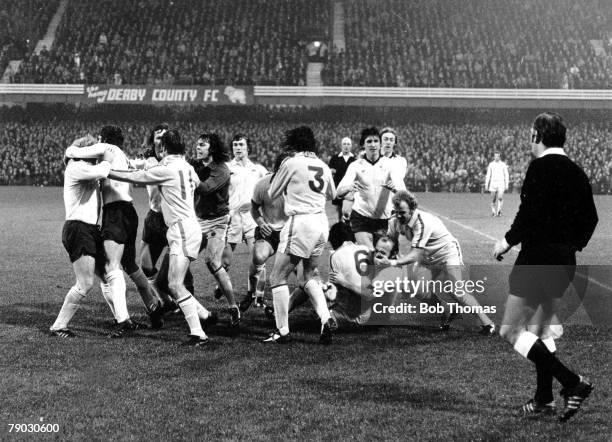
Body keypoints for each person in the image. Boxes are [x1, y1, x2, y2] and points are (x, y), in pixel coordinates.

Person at [493, 112, 598, 421]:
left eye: (531, 134)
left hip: (537, 259)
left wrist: (507, 241)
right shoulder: (578, 172)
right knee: (540, 329)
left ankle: (573, 382)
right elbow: (590, 219)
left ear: (538, 135)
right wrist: (569, 244)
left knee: (511, 330)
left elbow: (529, 212)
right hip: (564, 262)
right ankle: (544, 399)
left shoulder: (540, 166)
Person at [108, 129, 216, 347]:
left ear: (165, 148)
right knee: (169, 282)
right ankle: (202, 320)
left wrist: (107, 172)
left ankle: (199, 333)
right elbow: (196, 182)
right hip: (187, 227)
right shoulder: (186, 167)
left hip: (182, 229)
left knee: (175, 284)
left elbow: (135, 176)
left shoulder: (166, 169)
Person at [65, 126, 157, 336]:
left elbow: (74, 152)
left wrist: (70, 151)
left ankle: (123, 321)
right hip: (130, 212)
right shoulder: (123, 156)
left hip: (115, 212)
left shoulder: (106, 148)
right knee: (130, 264)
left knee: (112, 266)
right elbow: (137, 168)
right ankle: (155, 307)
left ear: (102, 139)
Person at [377, 190, 496, 335]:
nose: (399, 216)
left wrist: (391, 262)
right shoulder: (395, 221)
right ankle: (447, 309)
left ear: (412, 210)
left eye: (402, 212)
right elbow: (389, 241)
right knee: (417, 289)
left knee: (456, 291)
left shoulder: (422, 222)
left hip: (447, 253)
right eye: (397, 212)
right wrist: (378, 251)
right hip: (428, 257)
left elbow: (415, 254)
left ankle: (488, 324)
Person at [264, 126, 336, 344]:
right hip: (322, 223)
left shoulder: (291, 162)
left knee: (277, 277)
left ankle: (282, 331)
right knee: (307, 276)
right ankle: (326, 318)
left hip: (300, 222)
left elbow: (271, 192)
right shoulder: (322, 164)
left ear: (293, 143)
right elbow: (332, 194)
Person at [50, 135, 113, 337]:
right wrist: (108, 156)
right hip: (78, 229)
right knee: (85, 283)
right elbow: (104, 170)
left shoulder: (82, 167)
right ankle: (59, 326)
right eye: (91, 147)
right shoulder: (76, 166)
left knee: (107, 276)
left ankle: (122, 320)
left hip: (89, 229)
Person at [190, 132, 240, 330]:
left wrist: (189, 174)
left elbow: (204, 189)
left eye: (202, 145)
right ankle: (187, 302)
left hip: (217, 221)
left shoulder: (221, 170)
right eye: (197, 144)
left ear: (212, 148)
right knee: (181, 260)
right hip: (197, 220)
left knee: (212, 261)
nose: (198, 147)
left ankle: (233, 307)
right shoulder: (196, 165)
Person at [336, 127, 406, 249]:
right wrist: (349, 187)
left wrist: (395, 189)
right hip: (361, 218)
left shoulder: (391, 165)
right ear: (363, 145)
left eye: (376, 141)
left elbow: (403, 192)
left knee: (382, 260)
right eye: (369, 141)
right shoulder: (356, 166)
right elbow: (339, 192)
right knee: (369, 253)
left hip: (384, 219)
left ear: (380, 144)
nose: (373, 144)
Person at [239, 152, 291, 314]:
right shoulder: (262, 184)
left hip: (290, 232)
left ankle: (285, 313)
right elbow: (254, 207)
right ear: (276, 169)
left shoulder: (297, 186)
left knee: (302, 275)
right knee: (258, 256)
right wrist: (261, 223)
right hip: (269, 231)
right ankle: (251, 292)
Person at [218, 134, 267, 298]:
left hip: (252, 219)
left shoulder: (258, 170)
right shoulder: (226, 168)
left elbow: (270, 186)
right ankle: (221, 284)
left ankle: (253, 295)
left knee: (258, 259)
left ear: (248, 147)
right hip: (232, 219)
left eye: (241, 144)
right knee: (224, 262)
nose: (238, 148)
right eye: (235, 145)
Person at [328, 137, 355, 221]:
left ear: (351, 146)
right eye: (344, 144)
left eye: (348, 144)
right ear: (341, 146)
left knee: (350, 210)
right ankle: (340, 225)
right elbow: (330, 173)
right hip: (339, 188)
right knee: (339, 210)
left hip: (350, 188)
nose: (346, 146)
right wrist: (331, 171)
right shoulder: (335, 158)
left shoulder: (354, 159)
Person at [485, 152, 509, 217]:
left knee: (500, 197)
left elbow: (506, 174)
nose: (496, 157)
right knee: (493, 198)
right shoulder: (491, 164)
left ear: (500, 157)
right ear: (494, 157)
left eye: (498, 156)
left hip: (501, 182)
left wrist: (507, 184)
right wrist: (486, 184)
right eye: (495, 156)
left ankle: (498, 212)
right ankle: (493, 212)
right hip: (493, 183)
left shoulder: (503, 164)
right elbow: (488, 175)